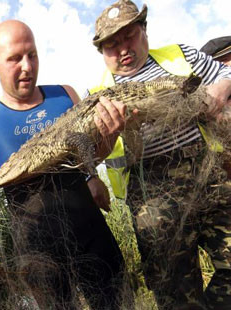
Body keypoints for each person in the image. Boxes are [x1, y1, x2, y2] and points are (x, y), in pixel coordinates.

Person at [0, 20, 127, 310]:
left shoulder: (66, 95)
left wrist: (114, 132)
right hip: (37, 253)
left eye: (32, 55)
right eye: (14, 58)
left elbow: (93, 156)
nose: (27, 66)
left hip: (91, 235)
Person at [87, 1, 231, 309]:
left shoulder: (181, 56)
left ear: (144, 31)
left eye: (129, 36)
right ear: (101, 52)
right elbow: (91, 156)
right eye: (112, 45)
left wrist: (219, 92)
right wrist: (111, 134)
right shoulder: (97, 96)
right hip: (151, 198)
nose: (123, 49)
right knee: (174, 294)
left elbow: (224, 74)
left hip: (211, 177)